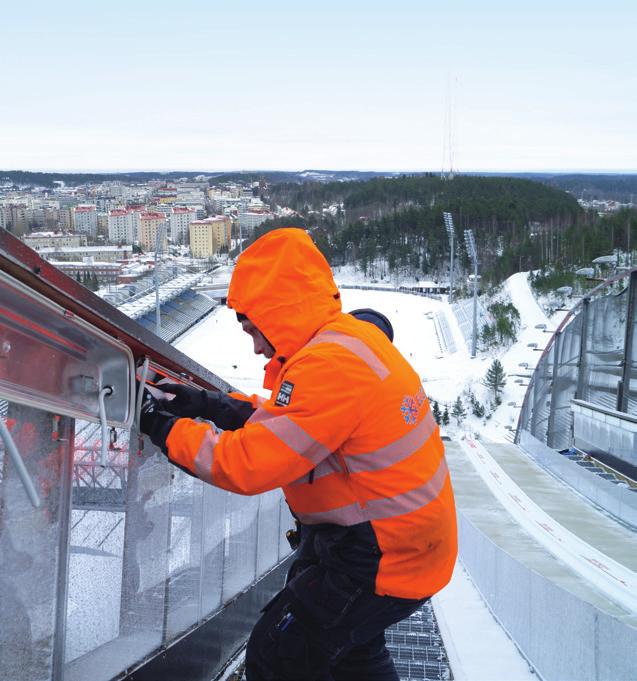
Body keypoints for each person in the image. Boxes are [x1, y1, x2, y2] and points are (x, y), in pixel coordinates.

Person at [140, 228, 457, 681]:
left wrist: (158, 424)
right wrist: (210, 405)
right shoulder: (344, 343)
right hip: (405, 547)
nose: (255, 346)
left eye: (254, 329)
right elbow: (298, 423)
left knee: (277, 656)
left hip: (381, 558)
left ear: (277, 311)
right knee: (353, 654)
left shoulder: (329, 364)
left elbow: (246, 465)